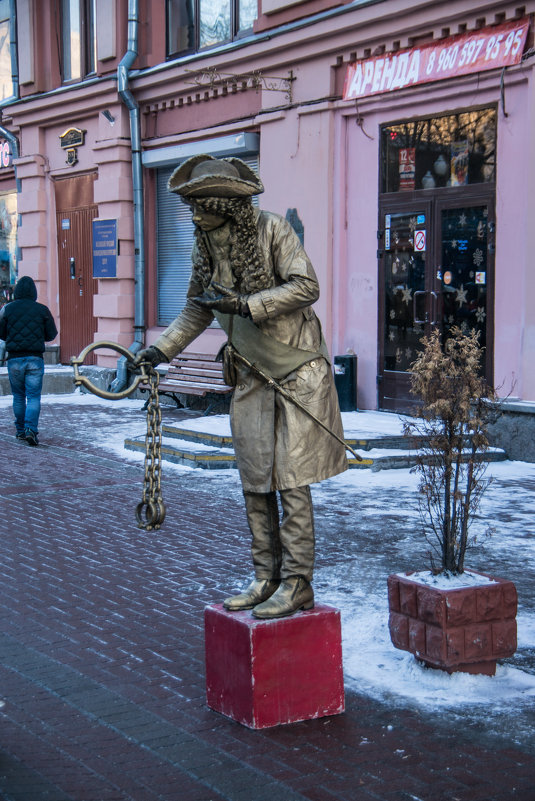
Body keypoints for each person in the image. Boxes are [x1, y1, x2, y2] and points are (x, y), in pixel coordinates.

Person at [134, 155, 347, 618]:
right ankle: (265, 577)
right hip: (251, 374)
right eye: (190, 208)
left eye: (200, 207)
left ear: (224, 206)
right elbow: (197, 308)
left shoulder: (273, 230)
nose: (193, 216)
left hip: (297, 373)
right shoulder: (205, 246)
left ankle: (297, 583)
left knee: (291, 483)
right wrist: (161, 351)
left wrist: (247, 304)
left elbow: (306, 286)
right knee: (255, 482)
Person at [0, 275, 58, 446]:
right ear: (34, 291)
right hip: (35, 358)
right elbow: (51, 334)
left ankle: (19, 431)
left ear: (16, 291)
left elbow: (1, 332)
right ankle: (30, 430)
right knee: (33, 397)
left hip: (15, 359)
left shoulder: (7, 309)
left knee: (18, 396)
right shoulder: (42, 310)